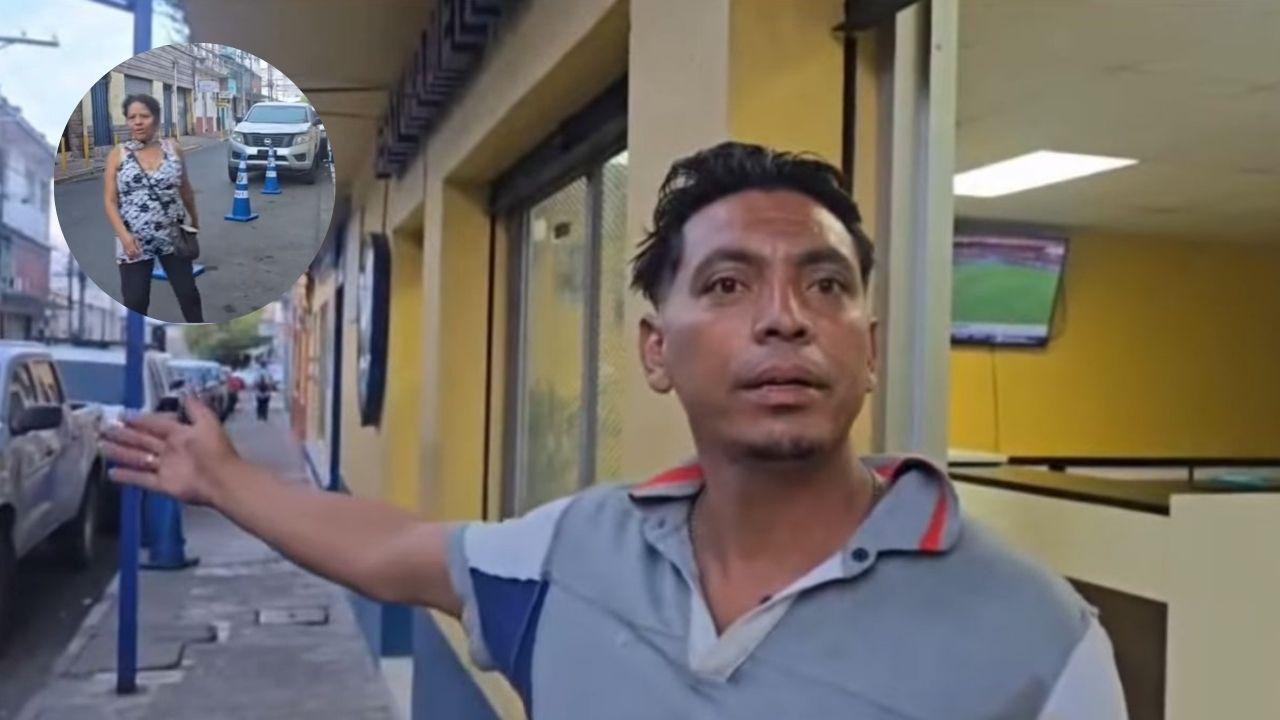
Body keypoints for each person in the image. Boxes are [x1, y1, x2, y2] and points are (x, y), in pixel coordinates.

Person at [101, 143, 1126, 719]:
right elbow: (396, 550)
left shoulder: (1039, 640)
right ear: (655, 350)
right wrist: (226, 480)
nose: (784, 317)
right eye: (727, 285)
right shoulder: (569, 554)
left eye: (825, 285)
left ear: (869, 349)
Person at [104, 93, 205, 323]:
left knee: (188, 295)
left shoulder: (173, 149)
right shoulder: (118, 154)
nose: (138, 122)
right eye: (132, 117)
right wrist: (124, 236)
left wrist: (195, 221)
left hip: (173, 237)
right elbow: (109, 201)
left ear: (157, 119)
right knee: (136, 301)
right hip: (134, 243)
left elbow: (185, 189)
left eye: (144, 116)